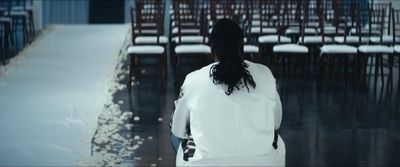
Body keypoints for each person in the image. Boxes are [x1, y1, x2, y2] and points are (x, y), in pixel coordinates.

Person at [170, 18, 285, 166]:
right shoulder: (265, 75)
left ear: (212, 51)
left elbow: (178, 130)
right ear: (242, 48)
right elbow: (276, 122)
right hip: (262, 163)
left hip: (206, 164)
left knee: (176, 137)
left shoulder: (193, 80)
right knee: (276, 139)